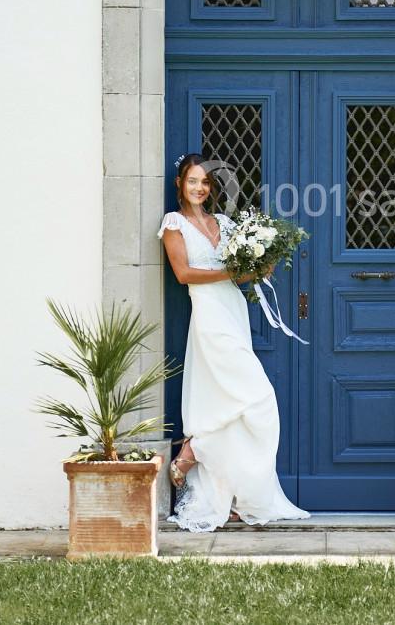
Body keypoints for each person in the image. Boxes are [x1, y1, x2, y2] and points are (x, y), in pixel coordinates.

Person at [156, 153, 311, 532]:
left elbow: (236, 274)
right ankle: (193, 448)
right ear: (180, 183)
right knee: (256, 396)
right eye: (192, 180)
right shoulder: (173, 224)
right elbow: (184, 273)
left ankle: (238, 495)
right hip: (208, 315)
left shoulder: (222, 222)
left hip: (233, 310)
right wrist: (231, 270)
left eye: (205, 182)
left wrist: (258, 266)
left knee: (231, 402)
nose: (199, 188)